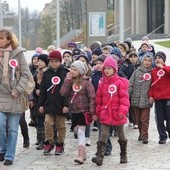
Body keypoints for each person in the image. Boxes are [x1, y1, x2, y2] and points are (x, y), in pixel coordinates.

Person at [0, 28, 31, 166]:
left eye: (1, 38)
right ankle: (2, 148)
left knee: (13, 128)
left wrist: (18, 89)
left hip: (15, 97)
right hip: (1, 95)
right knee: (0, 124)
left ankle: (10, 155)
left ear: (8, 40)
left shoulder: (18, 53)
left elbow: (25, 74)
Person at [92, 56, 130, 166]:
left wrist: (122, 112)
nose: (107, 70)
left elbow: (124, 100)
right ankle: (100, 156)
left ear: (114, 69)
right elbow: (99, 100)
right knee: (103, 134)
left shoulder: (120, 83)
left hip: (118, 113)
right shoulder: (102, 83)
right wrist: (97, 112)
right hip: (105, 113)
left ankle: (123, 154)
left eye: (109, 68)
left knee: (120, 134)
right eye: (105, 68)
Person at [60, 60, 96, 164]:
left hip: (84, 111)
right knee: (77, 131)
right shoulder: (69, 81)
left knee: (81, 131)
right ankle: (83, 153)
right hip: (74, 111)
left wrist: (92, 112)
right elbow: (63, 93)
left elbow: (92, 97)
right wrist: (67, 80)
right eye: (71, 68)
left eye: (75, 69)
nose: (72, 71)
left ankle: (80, 154)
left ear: (80, 71)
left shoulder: (86, 82)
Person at [38, 50, 69, 155]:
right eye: (52, 61)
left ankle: (60, 144)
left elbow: (68, 91)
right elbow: (43, 91)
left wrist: (66, 105)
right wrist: (41, 104)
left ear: (60, 61)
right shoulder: (46, 73)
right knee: (48, 123)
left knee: (61, 126)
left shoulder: (65, 72)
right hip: (49, 104)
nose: (54, 63)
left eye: (56, 61)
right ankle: (49, 142)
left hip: (61, 105)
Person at [129, 53, 153, 144]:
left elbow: (154, 86)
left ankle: (145, 136)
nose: (147, 62)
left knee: (144, 119)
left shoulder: (152, 73)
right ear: (142, 61)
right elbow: (130, 84)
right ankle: (140, 133)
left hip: (146, 100)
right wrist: (127, 94)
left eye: (149, 60)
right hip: (136, 99)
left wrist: (152, 96)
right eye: (145, 60)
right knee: (138, 119)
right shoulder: (136, 72)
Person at [149, 51, 170, 144]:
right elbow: (152, 85)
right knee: (159, 118)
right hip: (158, 99)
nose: (157, 59)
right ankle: (162, 136)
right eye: (156, 58)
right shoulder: (153, 71)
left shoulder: (167, 69)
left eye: (159, 58)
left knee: (169, 117)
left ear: (163, 60)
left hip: (168, 98)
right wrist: (151, 95)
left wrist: (164, 68)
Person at [33, 54, 49, 150]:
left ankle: (50, 139)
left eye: (41, 61)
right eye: (38, 61)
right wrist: (36, 90)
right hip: (38, 100)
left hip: (48, 100)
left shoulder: (49, 73)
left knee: (49, 121)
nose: (39, 63)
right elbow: (32, 85)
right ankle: (40, 141)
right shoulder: (36, 73)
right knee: (40, 120)